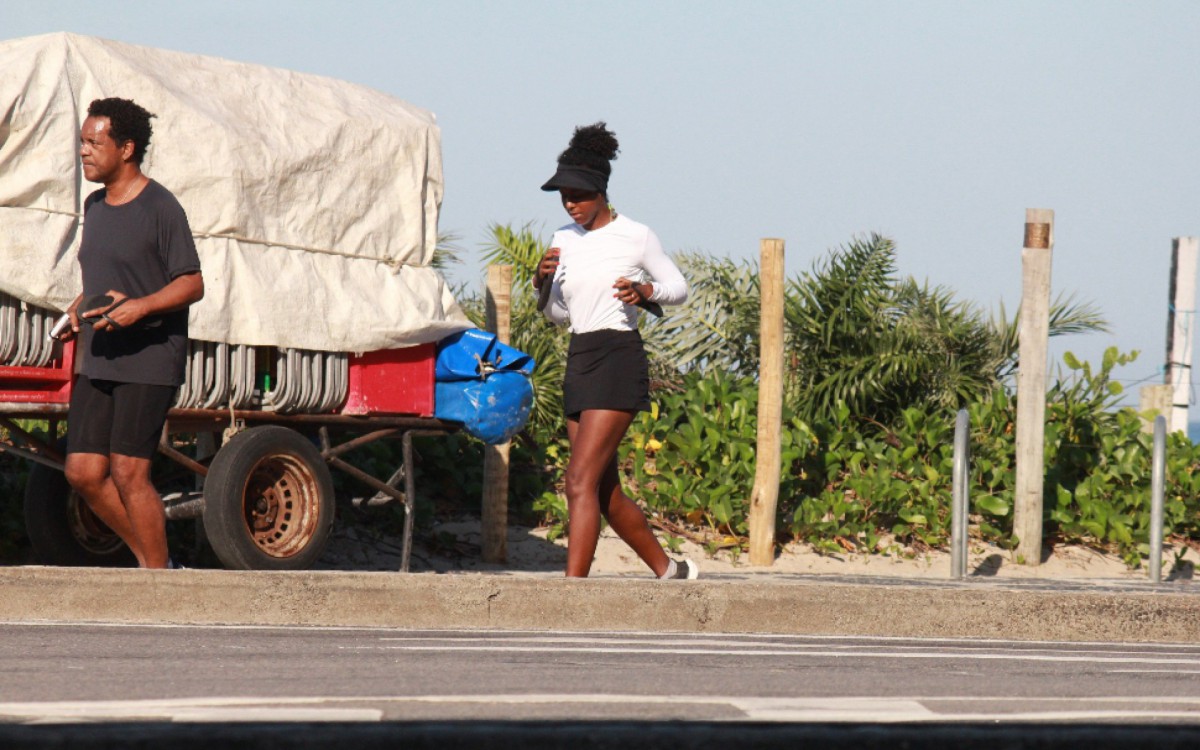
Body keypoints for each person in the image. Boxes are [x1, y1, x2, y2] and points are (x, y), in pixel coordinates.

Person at [534, 122, 696, 579]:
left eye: (579, 195)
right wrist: (540, 281)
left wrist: (645, 290)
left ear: (601, 192)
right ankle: (671, 572)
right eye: (564, 195)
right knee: (602, 490)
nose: (570, 203)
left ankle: (572, 593)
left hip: (617, 356)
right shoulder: (562, 239)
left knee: (578, 481)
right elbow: (559, 315)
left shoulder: (636, 235)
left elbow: (678, 288)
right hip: (580, 356)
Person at [54, 97, 204, 569]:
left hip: (149, 358)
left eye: (95, 143)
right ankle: (153, 562)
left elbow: (192, 283)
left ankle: (159, 582)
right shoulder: (94, 206)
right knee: (82, 472)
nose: (85, 152)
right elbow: (101, 279)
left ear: (127, 149)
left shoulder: (161, 207)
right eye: (82, 142)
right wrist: (77, 310)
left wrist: (141, 307)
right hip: (99, 355)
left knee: (128, 472)